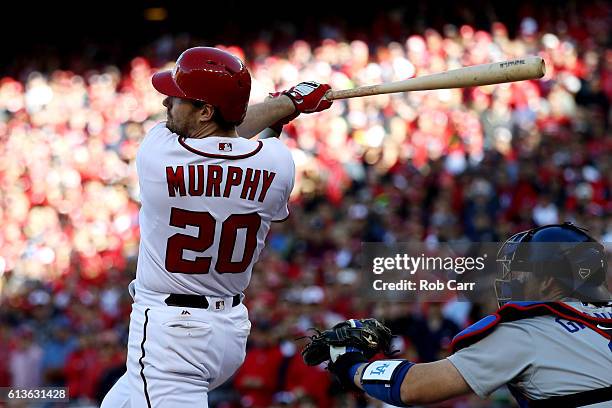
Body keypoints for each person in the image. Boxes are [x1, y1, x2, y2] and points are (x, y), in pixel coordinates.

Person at [102, 46, 332, 407]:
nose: (166, 105)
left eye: (177, 99)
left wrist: (288, 103)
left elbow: (236, 132)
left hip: (172, 336)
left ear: (206, 111)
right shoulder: (278, 163)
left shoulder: (157, 152)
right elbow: (237, 141)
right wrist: (288, 108)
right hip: (229, 332)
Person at [305, 223, 612, 407]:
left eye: (522, 273)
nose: (512, 280)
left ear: (548, 281)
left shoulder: (528, 331)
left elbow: (413, 387)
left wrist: (351, 365)